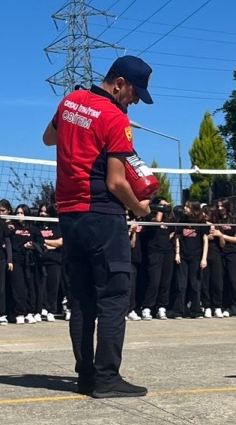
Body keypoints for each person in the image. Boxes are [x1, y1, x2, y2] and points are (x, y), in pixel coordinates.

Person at [42, 55, 155, 397]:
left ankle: (86, 376)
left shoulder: (70, 100)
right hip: (103, 214)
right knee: (114, 296)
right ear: (119, 83)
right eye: (134, 94)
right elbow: (117, 182)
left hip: (70, 213)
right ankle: (107, 378)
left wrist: (80, 137)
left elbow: (49, 138)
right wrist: (139, 209)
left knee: (82, 298)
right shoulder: (115, 118)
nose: (135, 101)